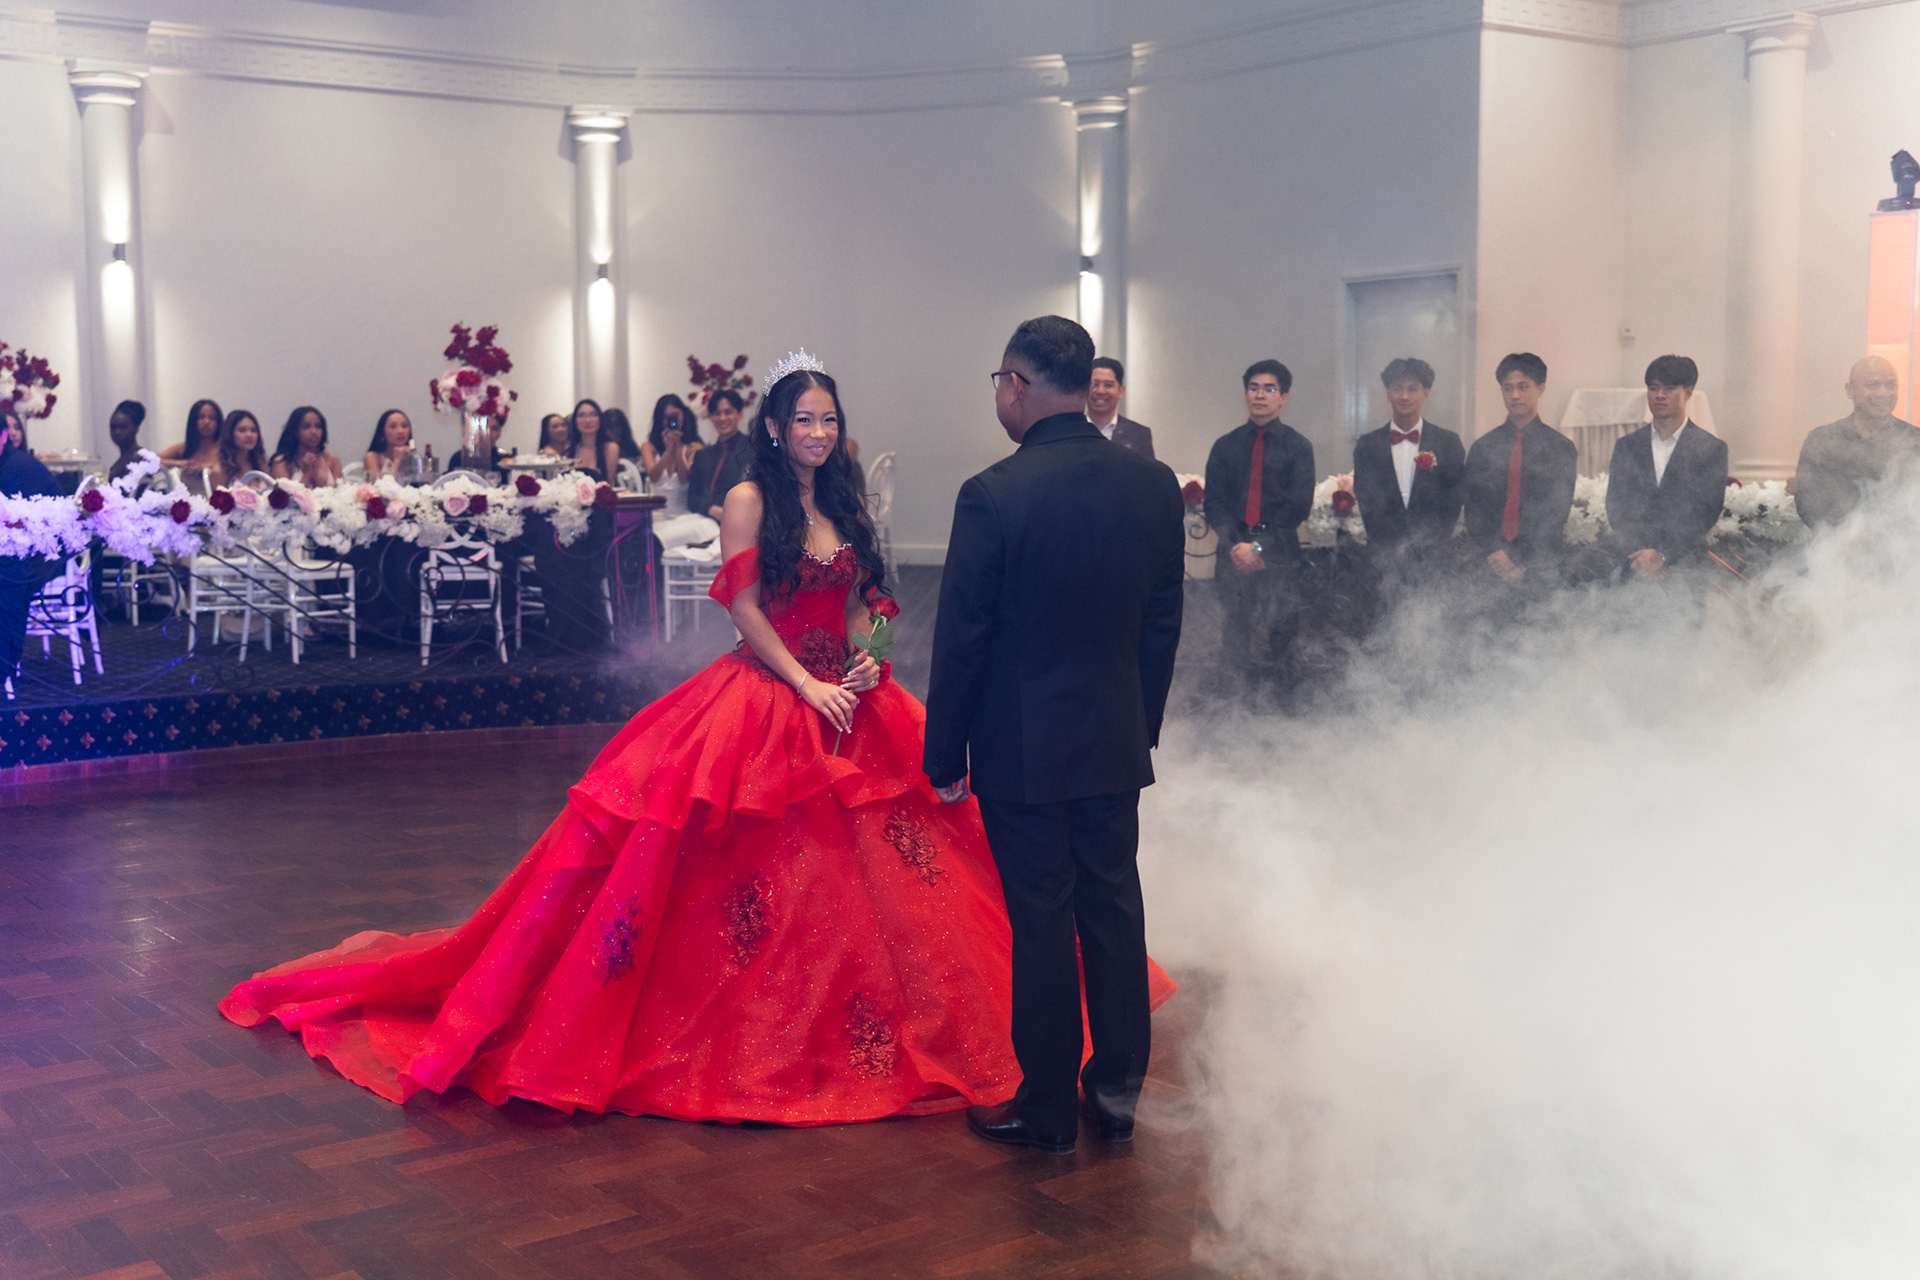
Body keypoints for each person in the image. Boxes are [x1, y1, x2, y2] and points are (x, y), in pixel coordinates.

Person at [220, 353, 1181, 1127]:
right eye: (804, 420)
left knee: (919, 882)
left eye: (829, 419)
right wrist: (805, 681)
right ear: (775, 427)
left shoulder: (844, 501)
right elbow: (745, 607)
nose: (819, 433)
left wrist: (869, 659)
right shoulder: (750, 500)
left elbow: (872, 601)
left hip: (850, 698)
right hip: (771, 693)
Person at [926, 316, 1185, 1156]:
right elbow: (1162, 621)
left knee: (1041, 920)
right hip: (1114, 736)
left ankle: (1044, 1111)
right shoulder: (1152, 484)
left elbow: (963, 638)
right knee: (1112, 908)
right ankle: (1115, 1095)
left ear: (1017, 385)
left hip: (1021, 746)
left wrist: (944, 752)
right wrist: (1139, 722)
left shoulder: (993, 492)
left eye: (1000, 383)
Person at [1202, 360, 1314, 683]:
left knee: (1282, 632)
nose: (1260, 395)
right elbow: (1215, 504)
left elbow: (1297, 506)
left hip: (1279, 554)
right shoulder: (1225, 446)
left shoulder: (1299, 447)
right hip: (1233, 554)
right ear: (1245, 394)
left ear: (1283, 397)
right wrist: (1238, 546)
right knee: (1235, 631)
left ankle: (1282, 702)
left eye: (1269, 389)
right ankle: (1234, 701)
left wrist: (1259, 547)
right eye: (1253, 388)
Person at [1604, 355, 1730, 577]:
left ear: (1688, 392)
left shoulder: (1711, 448)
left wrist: (1662, 555)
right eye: (1653, 388)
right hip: (1633, 562)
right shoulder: (1627, 445)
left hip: (1685, 566)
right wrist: (1642, 555)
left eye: (1669, 388)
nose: (1659, 395)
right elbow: (1617, 505)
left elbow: (1705, 512)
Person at [1462, 353, 1577, 587]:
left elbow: (1557, 511)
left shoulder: (1560, 447)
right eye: (1507, 388)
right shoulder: (1483, 447)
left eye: (1523, 387)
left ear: (1540, 388)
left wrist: (1521, 561)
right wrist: (1495, 552)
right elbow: (1474, 509)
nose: (1514, 395)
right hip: (1490, 564)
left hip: (1540, 564)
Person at [1350, 358, 1466, 561]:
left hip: (1433, 556)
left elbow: (1453, 500)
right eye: (1397, 388)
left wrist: (1431, 544)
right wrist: (1390, 548)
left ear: (1426, 393)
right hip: (1382, 556)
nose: (1404, 396)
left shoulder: (1448, 442)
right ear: (1388, 393)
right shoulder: (1367, 445)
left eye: (1413, 389)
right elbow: (1367, 501)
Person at [1794, 355, 1920, 527]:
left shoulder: (1914, 439)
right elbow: (1807, 502)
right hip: (1836, 540)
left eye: (1890, 385)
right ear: (1850, 390)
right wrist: (1845, 534)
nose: (1883, 393)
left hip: (1902, 541)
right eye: (1873, 385)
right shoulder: (1822, 440)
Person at [0, 421, 61, 687]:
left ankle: (4, 668)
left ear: (4, 437)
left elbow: (15, 525)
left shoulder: (17, 468)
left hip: (42, 556)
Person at [687, 389, 752, 519]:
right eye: (717, 413)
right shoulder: (702, 455)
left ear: (740, 414)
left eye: (728, 412)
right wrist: (710, 509)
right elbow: (692, 499)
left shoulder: (752, 451)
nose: (722, 418)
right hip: (704, 519)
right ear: (711, 417)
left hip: (740, 520)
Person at [1088, 357, 1156, 459]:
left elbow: (1148, 469)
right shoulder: (1071, 429)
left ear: (1121, 391)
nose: (1100, 391)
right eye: (1095, 384)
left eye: (1108, 385)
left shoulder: (1139, 434)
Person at [269, 406, 343, 487]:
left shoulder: (332, 459)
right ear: (295, 431)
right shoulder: (282, 462)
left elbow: (340, 491)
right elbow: (284, 494)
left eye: (318, 426)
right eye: (306, 427)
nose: (313, 432)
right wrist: (307, 473)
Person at [642, 395, 702, 490]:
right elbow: (653, 477)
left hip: (683, 500)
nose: (671, 421)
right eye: (666, 417)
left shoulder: (694, 447)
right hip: (656, 499)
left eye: (675, 415)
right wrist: (668, 452)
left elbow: (684, 480)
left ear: (683, 414)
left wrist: (678, 448)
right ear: (660, 420)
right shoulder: (648, 446)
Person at [158, 399, 223, 478]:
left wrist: (206, 467)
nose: (206, 422)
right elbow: (149, 460)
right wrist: (179, 463)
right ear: (193, 421)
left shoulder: (225, 449)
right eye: (201, 417)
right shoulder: (184, 448)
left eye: (212, 418)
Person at [565, 399, 619, 479]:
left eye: (593, 415)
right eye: (582, 415)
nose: (588, 420)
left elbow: (609, 481)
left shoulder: (610, 448)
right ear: (575, 421)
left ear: (600, 419)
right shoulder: (570, 449)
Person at [213, 410, 268, 488]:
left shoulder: (262, 465)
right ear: (230, 434)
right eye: (242, 430)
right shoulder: (219, 471)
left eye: (253, 430)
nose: (249, 435)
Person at [362, 410, 415, 480]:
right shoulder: (372, 457)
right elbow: (378, 485)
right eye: (393, 427)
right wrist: (397, 459)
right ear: (382, 432)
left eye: (404, 426)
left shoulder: (413, 457)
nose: (400, 431)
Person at [105, 399, 147, 484]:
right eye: (113, 427)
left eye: (123, 427)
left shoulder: (138, 458)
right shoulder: (124, 459)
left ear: (136, 428)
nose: (117, 432)